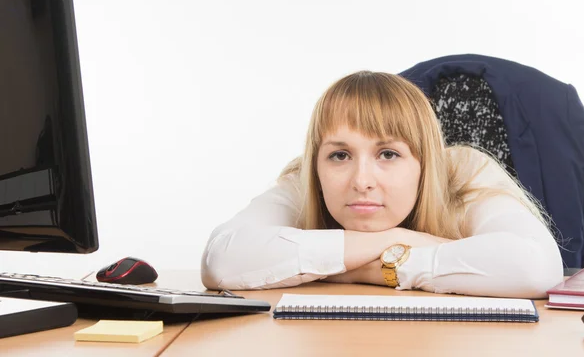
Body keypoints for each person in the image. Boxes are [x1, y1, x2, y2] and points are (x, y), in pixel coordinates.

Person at [201, 71, 563, 298]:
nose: (361, 181)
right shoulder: (306, 179)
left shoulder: (465, 175)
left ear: (425, 163)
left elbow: (536, 269)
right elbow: (220, 258)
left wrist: (360, 268)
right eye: (340, 155)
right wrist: (393, 241)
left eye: (388, 154)